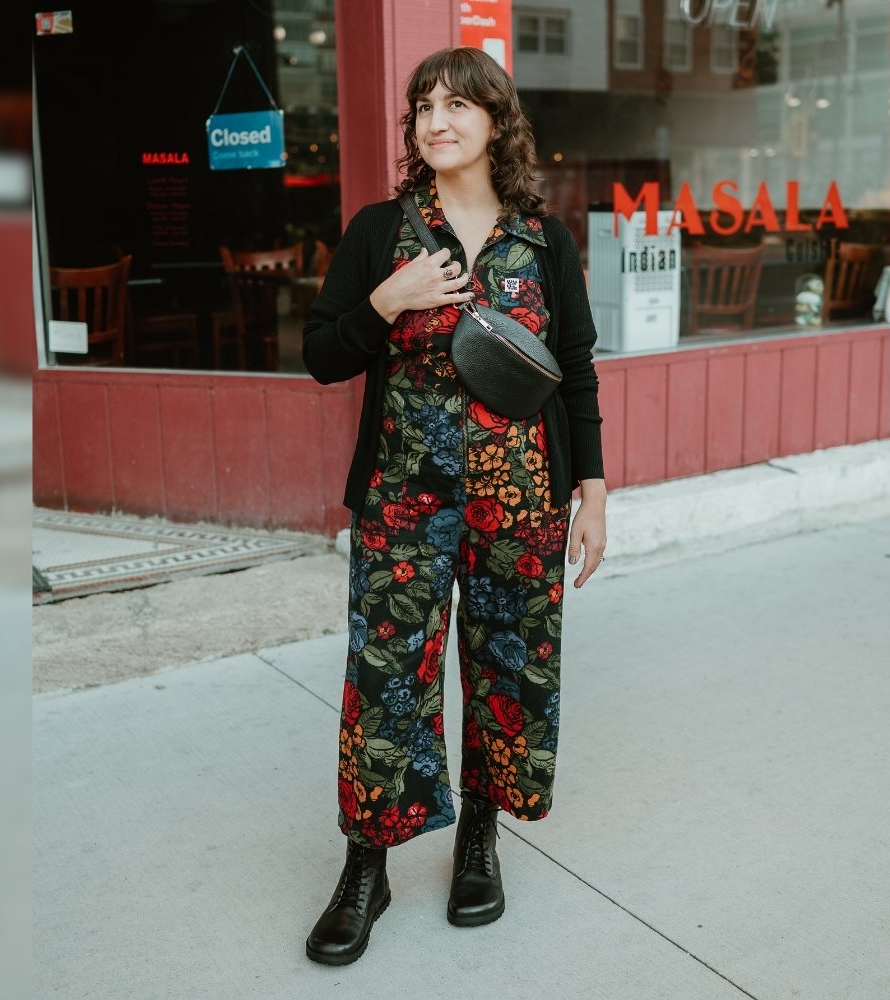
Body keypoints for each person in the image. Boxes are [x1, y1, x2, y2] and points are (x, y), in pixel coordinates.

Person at [301, 46, 606, 966]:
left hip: (523, 504)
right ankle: (369, 861)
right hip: (405, 505)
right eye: (422, 106)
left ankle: (481, 836)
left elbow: (577, 373)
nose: (436, 119)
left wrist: (591, 491)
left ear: (495, 122)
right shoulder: (380, 232)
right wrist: (385, 303)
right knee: (386, 676)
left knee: (507, 669)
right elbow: (322, 354)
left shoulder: (544, 242)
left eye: (457, 105)